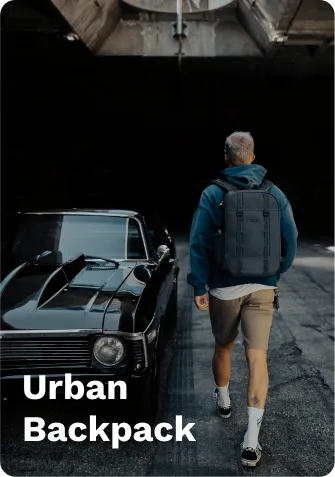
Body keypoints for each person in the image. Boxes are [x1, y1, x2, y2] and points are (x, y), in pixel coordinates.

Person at [187, 131, 298, 467]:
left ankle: (223, 400)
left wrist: (198, 286)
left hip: (223, 287)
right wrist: (275, 271)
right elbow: (290, 238)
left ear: (226, 157)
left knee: (223, 346)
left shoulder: (212, 194)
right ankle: (251, 440)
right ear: (253, 156)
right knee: (257, 358)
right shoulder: (274, 193)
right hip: (263, 287)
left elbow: (199, 243)